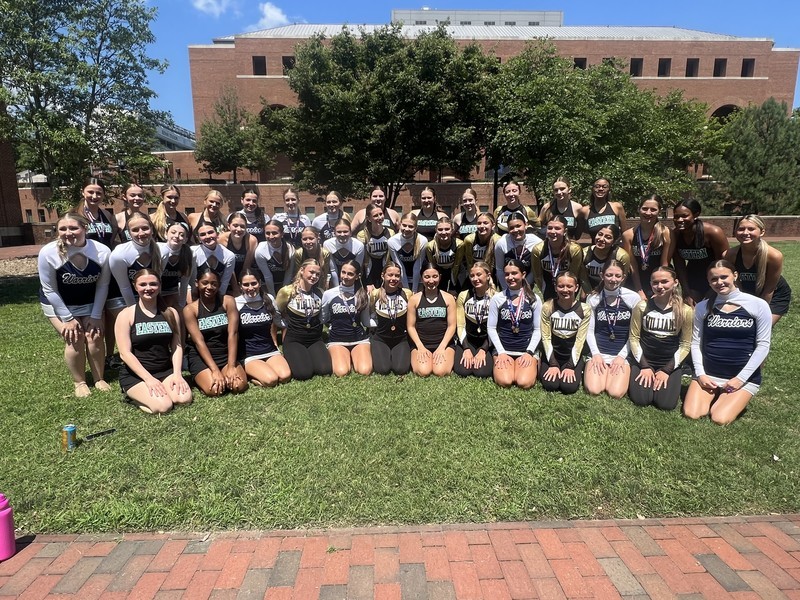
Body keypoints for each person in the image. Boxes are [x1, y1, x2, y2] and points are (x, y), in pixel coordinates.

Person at [684, 261, 772, 424]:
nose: (719, 282)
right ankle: (716, 392)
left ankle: (732, 394)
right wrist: (701, 374)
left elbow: (763, 345)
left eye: (724, 277)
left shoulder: (758, 305)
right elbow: (696, 343)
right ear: (708, 281)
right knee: (692, 413)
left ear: (735, 276)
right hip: (709, 373)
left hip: (742, 377)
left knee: (719, 418)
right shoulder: (703, 307)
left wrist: (740, 379)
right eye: (714, 279)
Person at [38, 213, 112, 397]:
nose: (68, 232)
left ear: (85, 228)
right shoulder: (48, 252)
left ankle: (99, 378)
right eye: (62, 228)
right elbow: (49, 290)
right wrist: (68, 318)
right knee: (75, 337)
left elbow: (103, 285)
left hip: (89, 301)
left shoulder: (102, 251)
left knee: (94, 336)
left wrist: (95, 316)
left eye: (73, 228)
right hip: (58, 304)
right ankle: (79, 382)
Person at [115, 269, 192, 412]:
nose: (148, 288)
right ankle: (132, 396)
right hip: (137, 375)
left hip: (165, 370)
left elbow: (177, 346)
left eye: (153, 284)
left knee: (183, 399)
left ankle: (162, 388)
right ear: (135, 286)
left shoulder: (170, 313)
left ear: (160, 286)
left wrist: (177, 374)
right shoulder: (126, 315)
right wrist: (149, 379)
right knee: (163, 406)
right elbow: (125, 354)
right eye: (143, 284)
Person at [628, 266, 693, 410]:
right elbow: (633, 338)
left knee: (665, 404)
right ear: (650, 284)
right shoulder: (642, 306)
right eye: (655, 282)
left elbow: (685, 344)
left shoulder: (685, 311)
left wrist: (667, 370)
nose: (659, 286)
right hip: (644, 360)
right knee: (641, 400)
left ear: (675, 282)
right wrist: (644, 366)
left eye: (664, 282)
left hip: (669, 362)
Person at [183, 268, 248, 396]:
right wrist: (214, 370)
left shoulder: (228, 301)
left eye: (214, 283)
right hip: (202, 357)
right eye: (205, 282)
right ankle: (201, 377)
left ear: (218, 285)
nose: (209, 287)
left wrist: (231, 365)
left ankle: (225, 372)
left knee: (238, 386)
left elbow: (233, 333)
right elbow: (198, 341)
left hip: (225, 353)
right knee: (215, 390)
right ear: (197, 283)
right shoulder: (190, 310)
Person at [584, 260, 641, 398]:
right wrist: (596, 354)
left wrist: (622, 357)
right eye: (609, 275)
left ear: (623, 277)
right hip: (599, 352)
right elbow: (589, 331)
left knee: (615, 393)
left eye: (617, 276)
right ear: (602, 275)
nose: (613, 279)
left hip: (622, 353)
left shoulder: (633, 298)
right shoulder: (593, 298)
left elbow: (635, 334)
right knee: (594, 390)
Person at [723, 214, 791, 325]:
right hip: (746, 292)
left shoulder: (774, 256)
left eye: (751, 229)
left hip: (774, 295)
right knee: (740, 326)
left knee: (759, 327)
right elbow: (735, 285)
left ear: (762, 232)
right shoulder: (730, 255)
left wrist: (759, 312)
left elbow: (769, 289)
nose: (745, 233)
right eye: (741, 229)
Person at [275, 259, 332, 380]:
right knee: (303, 374)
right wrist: (275, 341)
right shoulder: (287, 292)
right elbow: (276, 314)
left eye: (317, 274)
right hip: (294, 339)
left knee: (324, 370)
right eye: (311, 272)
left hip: (315, 339)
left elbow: (323, 317)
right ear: (301, 270)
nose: (314, 276)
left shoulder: (320, 292)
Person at [487, 259, 541, 389]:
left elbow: (538, 329)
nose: (510, 277)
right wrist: (501, 352)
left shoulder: (534, 298)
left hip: (526, 349)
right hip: (504, 349)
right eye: (507, 274)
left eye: (514, 273)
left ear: (523, 274)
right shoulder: (497, 298)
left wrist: (529, 352)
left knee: (524, 382)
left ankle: (530, 363)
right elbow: (491, 328)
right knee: (505, 381)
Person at [236, 269, 291, 387]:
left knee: (285, 376)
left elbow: (279, 321)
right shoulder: (236, 303)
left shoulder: (269, 298)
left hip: (269, 349)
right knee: (271, 380)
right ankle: (252, 375)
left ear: (259, 283)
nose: (250, 288)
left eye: (254, 283)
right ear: (240, 286)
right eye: (246, 284)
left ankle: (262, 371)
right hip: (249, 354)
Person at [668, 198, 729, 304]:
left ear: (696, 214)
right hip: (693, 278)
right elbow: (679, 265)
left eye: (684, 216)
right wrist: (686, 291)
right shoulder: (676, 235)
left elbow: (724, 263)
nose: (679, 220)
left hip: (716, 278)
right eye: (676, 216)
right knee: (691, 309)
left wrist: (713, 290)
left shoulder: (713, 233)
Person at [539, 272, 590, 394]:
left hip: (571, 355)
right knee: (551, 385)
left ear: (576, 287)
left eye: (569, 286)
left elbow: (580, 341)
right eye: (561, 286)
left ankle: (578, 368)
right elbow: (545, 337)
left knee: (569, 387)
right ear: (555, 287)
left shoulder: (584, 309)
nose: (565, 290)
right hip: (552, 354)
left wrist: (570, 366)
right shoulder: (548, 306)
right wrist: (553, 364)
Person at [321, 260, 372, 376]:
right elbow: (323, 319)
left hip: (359, 339)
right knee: (341, 372)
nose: (345, 276)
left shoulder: (363, 295)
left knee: (365, 371)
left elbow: (365, 322)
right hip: (337, 340)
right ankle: (345, 357)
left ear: (357, 276)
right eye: (343, 272)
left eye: (350, 274)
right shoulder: (328, 294)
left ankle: (355, 356)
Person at [406, 265, 457, 377]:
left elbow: (452, 326)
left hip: (444, 343)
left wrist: (442, 347)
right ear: (421, 279)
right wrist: (420, 346)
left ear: (440, 277)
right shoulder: (414, 299)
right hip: (421, 343)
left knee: (440, 371)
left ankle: (439, 356)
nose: (431, 280)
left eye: (435, 276)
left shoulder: (448, 298)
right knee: (423, 371)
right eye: (427, 277)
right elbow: (410, 326)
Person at [620, 194, 671, 300]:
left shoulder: (666, 233)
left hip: (659, 282)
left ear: (659, 211)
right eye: (645, 209)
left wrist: (659, 288)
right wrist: (639, 290)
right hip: (635, 282)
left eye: (653, 209)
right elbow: (632, 266)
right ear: (639, 209)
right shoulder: (628, 235)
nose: (648, 213)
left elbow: (665, 264)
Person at [109, 212, 163, 307]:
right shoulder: (119, 254)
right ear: (129, 233)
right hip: (121, 298)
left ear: (152, 230)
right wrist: (135, 311)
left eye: (145, 228)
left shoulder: (162, 251)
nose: (141, 233)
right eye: (135, 230)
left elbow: (157, 284)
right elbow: (124, 287)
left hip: (148, 295)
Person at [369, 262, 413, 375]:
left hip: (401, 339)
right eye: (390, 275)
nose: (394, 278)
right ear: (383, 275)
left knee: (400, 369)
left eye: (397, 276)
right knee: (383, 369)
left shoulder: (407, 294)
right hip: (381, 338)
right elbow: (371, 315)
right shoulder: (375, 294)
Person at [454, 262, 495, 378]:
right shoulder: (464, 295)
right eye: (472, 276)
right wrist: (466, 348)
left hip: (487, 342)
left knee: (482, 372)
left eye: (479, 275)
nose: (475, 279)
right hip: (469, 340)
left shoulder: (496, 297)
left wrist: (484, 349)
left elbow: (496, 329)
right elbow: (460, 325)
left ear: (488, 276)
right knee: (462, 370)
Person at [531, 216, 583, 300]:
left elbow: (574, 275)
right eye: (550, 228)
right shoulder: (538, 250)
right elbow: (537, 276)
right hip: (548, 285)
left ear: (565, 231)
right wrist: (544, 290)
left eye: (557, 228)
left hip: (567, 286)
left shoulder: (574, 250)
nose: (553, 231)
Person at [494, 211, 542, 291]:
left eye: (518, 226)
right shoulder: (501, 244)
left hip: (528, 286)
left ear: (526, 225)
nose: (515, 230)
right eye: (511, 228)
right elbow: (499, 269)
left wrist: (525, 287)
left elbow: (534, 270)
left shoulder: (537, 243)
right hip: (508, 285)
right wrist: (506, 289)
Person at [581, 224, 630, 293]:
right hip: (588, 292)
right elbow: (582, 278)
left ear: (615, 241)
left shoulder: (621, 256)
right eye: (600, 234)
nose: (601, 239)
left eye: (608, 237)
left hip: (612, 292)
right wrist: (588, 293)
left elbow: (621, 281)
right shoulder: (584, 253)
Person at [356, 203, 394, 291]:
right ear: (369, 219)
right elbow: (362, 261)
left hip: (385, 273)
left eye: (381, 214)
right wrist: (368, 282)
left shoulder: (391, 233)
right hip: (369, 274)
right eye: (375, 216)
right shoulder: (362, 235)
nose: (379, 217)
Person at [192, 223, 236, 297]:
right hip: (195, 294)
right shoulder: (192, 253)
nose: (208, 236)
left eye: (210, 232)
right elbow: (190, 282)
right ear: (198, 238)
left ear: (217, 234)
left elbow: (224, 283)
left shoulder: (229, 255)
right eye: (203, 234)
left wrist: (219, 300)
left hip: (217, 293)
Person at [387, 212, 428, 292]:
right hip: (401, 278)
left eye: (411, 226)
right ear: (400, 224)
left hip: (418, 278)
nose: (406, 229)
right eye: (404, 225)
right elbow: (399, 266)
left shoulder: (423, 240)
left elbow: (417, 267)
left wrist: (414, 291)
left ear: (416, 227)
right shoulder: (392, 241)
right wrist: (406, 291)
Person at [254, 219, 294, 296]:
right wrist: (273, 297)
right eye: (267, 233)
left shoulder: (290, 249)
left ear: (282, 234)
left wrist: (283, 294)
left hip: (284, 284)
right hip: (266, 285)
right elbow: (267, 276)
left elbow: (289, 274)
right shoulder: (260, 250)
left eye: (275, 233)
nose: (271, 236)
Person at [219, 211, 257, 293]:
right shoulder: (221, 239)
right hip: (227, 275)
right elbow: (228, 267)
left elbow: (246, 267)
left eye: (242, 226)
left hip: (243, 277)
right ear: (229, 226)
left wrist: (242, 288)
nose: (239, 229)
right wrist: (235, 289)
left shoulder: (251, 240)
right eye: (235, 225)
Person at [75, 178, 118, 248]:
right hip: (86, 257)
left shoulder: (107, 215)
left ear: (104, 194)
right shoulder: (75, 215)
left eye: (98, 193)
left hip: (105, 256)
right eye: (90, 192)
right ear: (82, 192)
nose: (94, 196)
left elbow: (111, 240)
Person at [158, 222, 192, 309]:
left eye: (181, 235)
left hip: (172, 291)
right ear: (166, 234)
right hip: (156, 291)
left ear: (185, 239)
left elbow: (185, 282)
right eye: (173, 232)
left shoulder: (189, 253)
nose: (176, 236)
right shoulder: (157, 249)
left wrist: (182, 305)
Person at [425, 217, 463, 293]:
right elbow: (433, 267)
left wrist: (453, 287)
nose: (443, 232)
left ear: (452, 230)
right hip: (439, 273)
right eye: (440, 229)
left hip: (455, 273)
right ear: (436, 230)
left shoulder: (459, 244)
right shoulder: (430, 246)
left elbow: (457, 265)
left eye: (447, 229)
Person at [323, 219, 365, 287]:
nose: (342, 235)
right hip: (335, 277)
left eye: (345, 231)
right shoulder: (328, 244)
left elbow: (357, 269)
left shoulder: (359, 245)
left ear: (350, 232)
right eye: (339, 232)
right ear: (334, 232)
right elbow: (333, 269)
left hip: (352, 277)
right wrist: (337, 288)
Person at [461, 212, 500, 283]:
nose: (482, 226)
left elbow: (499, 266)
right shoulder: (469, 240)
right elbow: (469, 264)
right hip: (474, 276)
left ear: (493, 225)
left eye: (485, 223)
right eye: (479, 223)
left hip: (492, 276)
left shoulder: (498, 241)